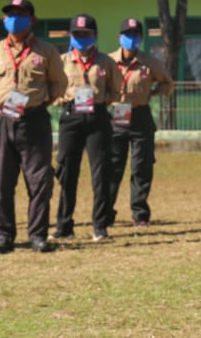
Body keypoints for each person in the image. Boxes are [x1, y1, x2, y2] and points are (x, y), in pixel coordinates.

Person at [0, 0, 67, 254]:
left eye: (20, 13)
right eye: (9, 14)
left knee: (39, 180)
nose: (14, 18)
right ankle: (3, 236)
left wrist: (38, 103)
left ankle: (37, 236)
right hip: (2, 120)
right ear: (4, 19)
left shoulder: (47, 51)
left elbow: (58, 85)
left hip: (34, 120)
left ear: (32, 19)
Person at [54, 13, 122, 242]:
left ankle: (100, 226)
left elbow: (116, 90)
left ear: (95, 35)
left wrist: (101, 103)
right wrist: (63, 100)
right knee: (66, 172)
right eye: (78, 34)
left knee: (101, 173)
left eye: (86, 34)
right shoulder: (61, 61)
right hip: (71, 117)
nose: (82, 38)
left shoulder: (106, 62)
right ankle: (64, 225)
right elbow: (52, 88)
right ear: (71, 36)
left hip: (97, 118)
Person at [107, 17, 174, 229]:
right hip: (116, 116)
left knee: (141, 168)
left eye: (136, 35)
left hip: (140, 116)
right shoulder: (108, 61)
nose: (131, 38)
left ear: (141, 38)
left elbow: (168, 83)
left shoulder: (150, 62)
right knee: (112, 168)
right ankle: (105, 213)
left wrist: (152, 93)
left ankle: (140, 214)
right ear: (119, 37)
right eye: (127, 34)